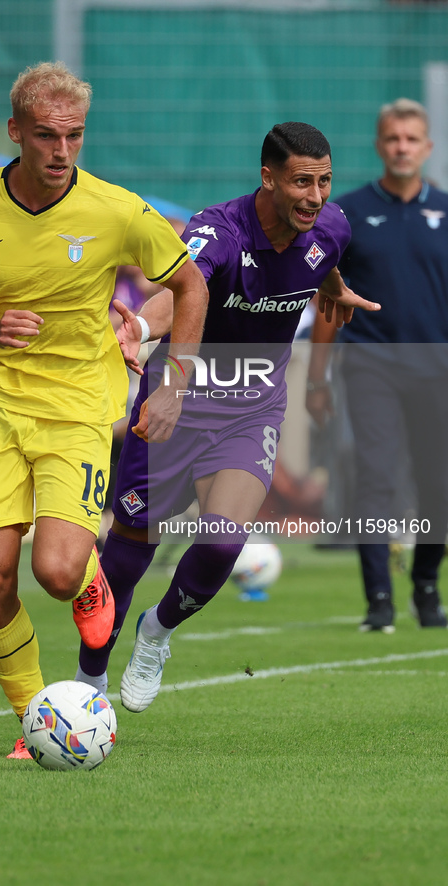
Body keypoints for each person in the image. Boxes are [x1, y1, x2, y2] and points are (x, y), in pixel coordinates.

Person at [0, 62, 208, 754]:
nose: (60, 151)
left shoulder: (115, 209)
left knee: (54, 571)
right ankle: (35, 720)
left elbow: (190, 282)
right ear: (15, 131)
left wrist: (175, 380)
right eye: (47, 135)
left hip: (77, 405)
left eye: (74, 136)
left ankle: (85, 582)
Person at [75, 121, 380, 712]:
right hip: (176, 403)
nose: (315, 196)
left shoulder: (331, 226)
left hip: (251, 411)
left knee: (221, 542)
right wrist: (138, 326)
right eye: (300, 182)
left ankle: (156, 632)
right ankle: (89, 679)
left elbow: (326, 259)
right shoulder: (217, 230)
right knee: (131, 545)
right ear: (268, 177)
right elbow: (182, 291)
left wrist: (335, 290)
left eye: (324, 181)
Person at [306, 98, 448, 633]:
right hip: (370, 367)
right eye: (393, 138)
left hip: (438, 370)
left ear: (427, 147)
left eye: (412, 139)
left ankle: (428, 588)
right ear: (379, 145)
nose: (402, 147)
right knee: (376, 478)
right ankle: (380, 602)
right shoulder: (346, 214)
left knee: (439, 485)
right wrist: (317, 379)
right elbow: (329, 302)